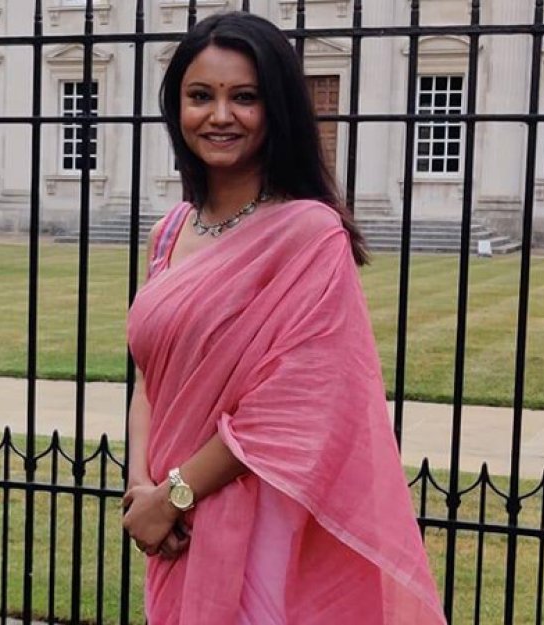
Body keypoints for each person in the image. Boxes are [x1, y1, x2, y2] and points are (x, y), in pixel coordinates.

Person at [122, 11, 446, 625]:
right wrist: (142, 486)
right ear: (177, 108)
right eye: (200, 96)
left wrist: (176, 493)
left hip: (254, 515)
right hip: (167, 516)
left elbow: (293, 409)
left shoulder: (308, 234)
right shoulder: (169, 231)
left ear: (277, 110)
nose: (220, 115)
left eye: (245, 97)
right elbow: (149, 376)